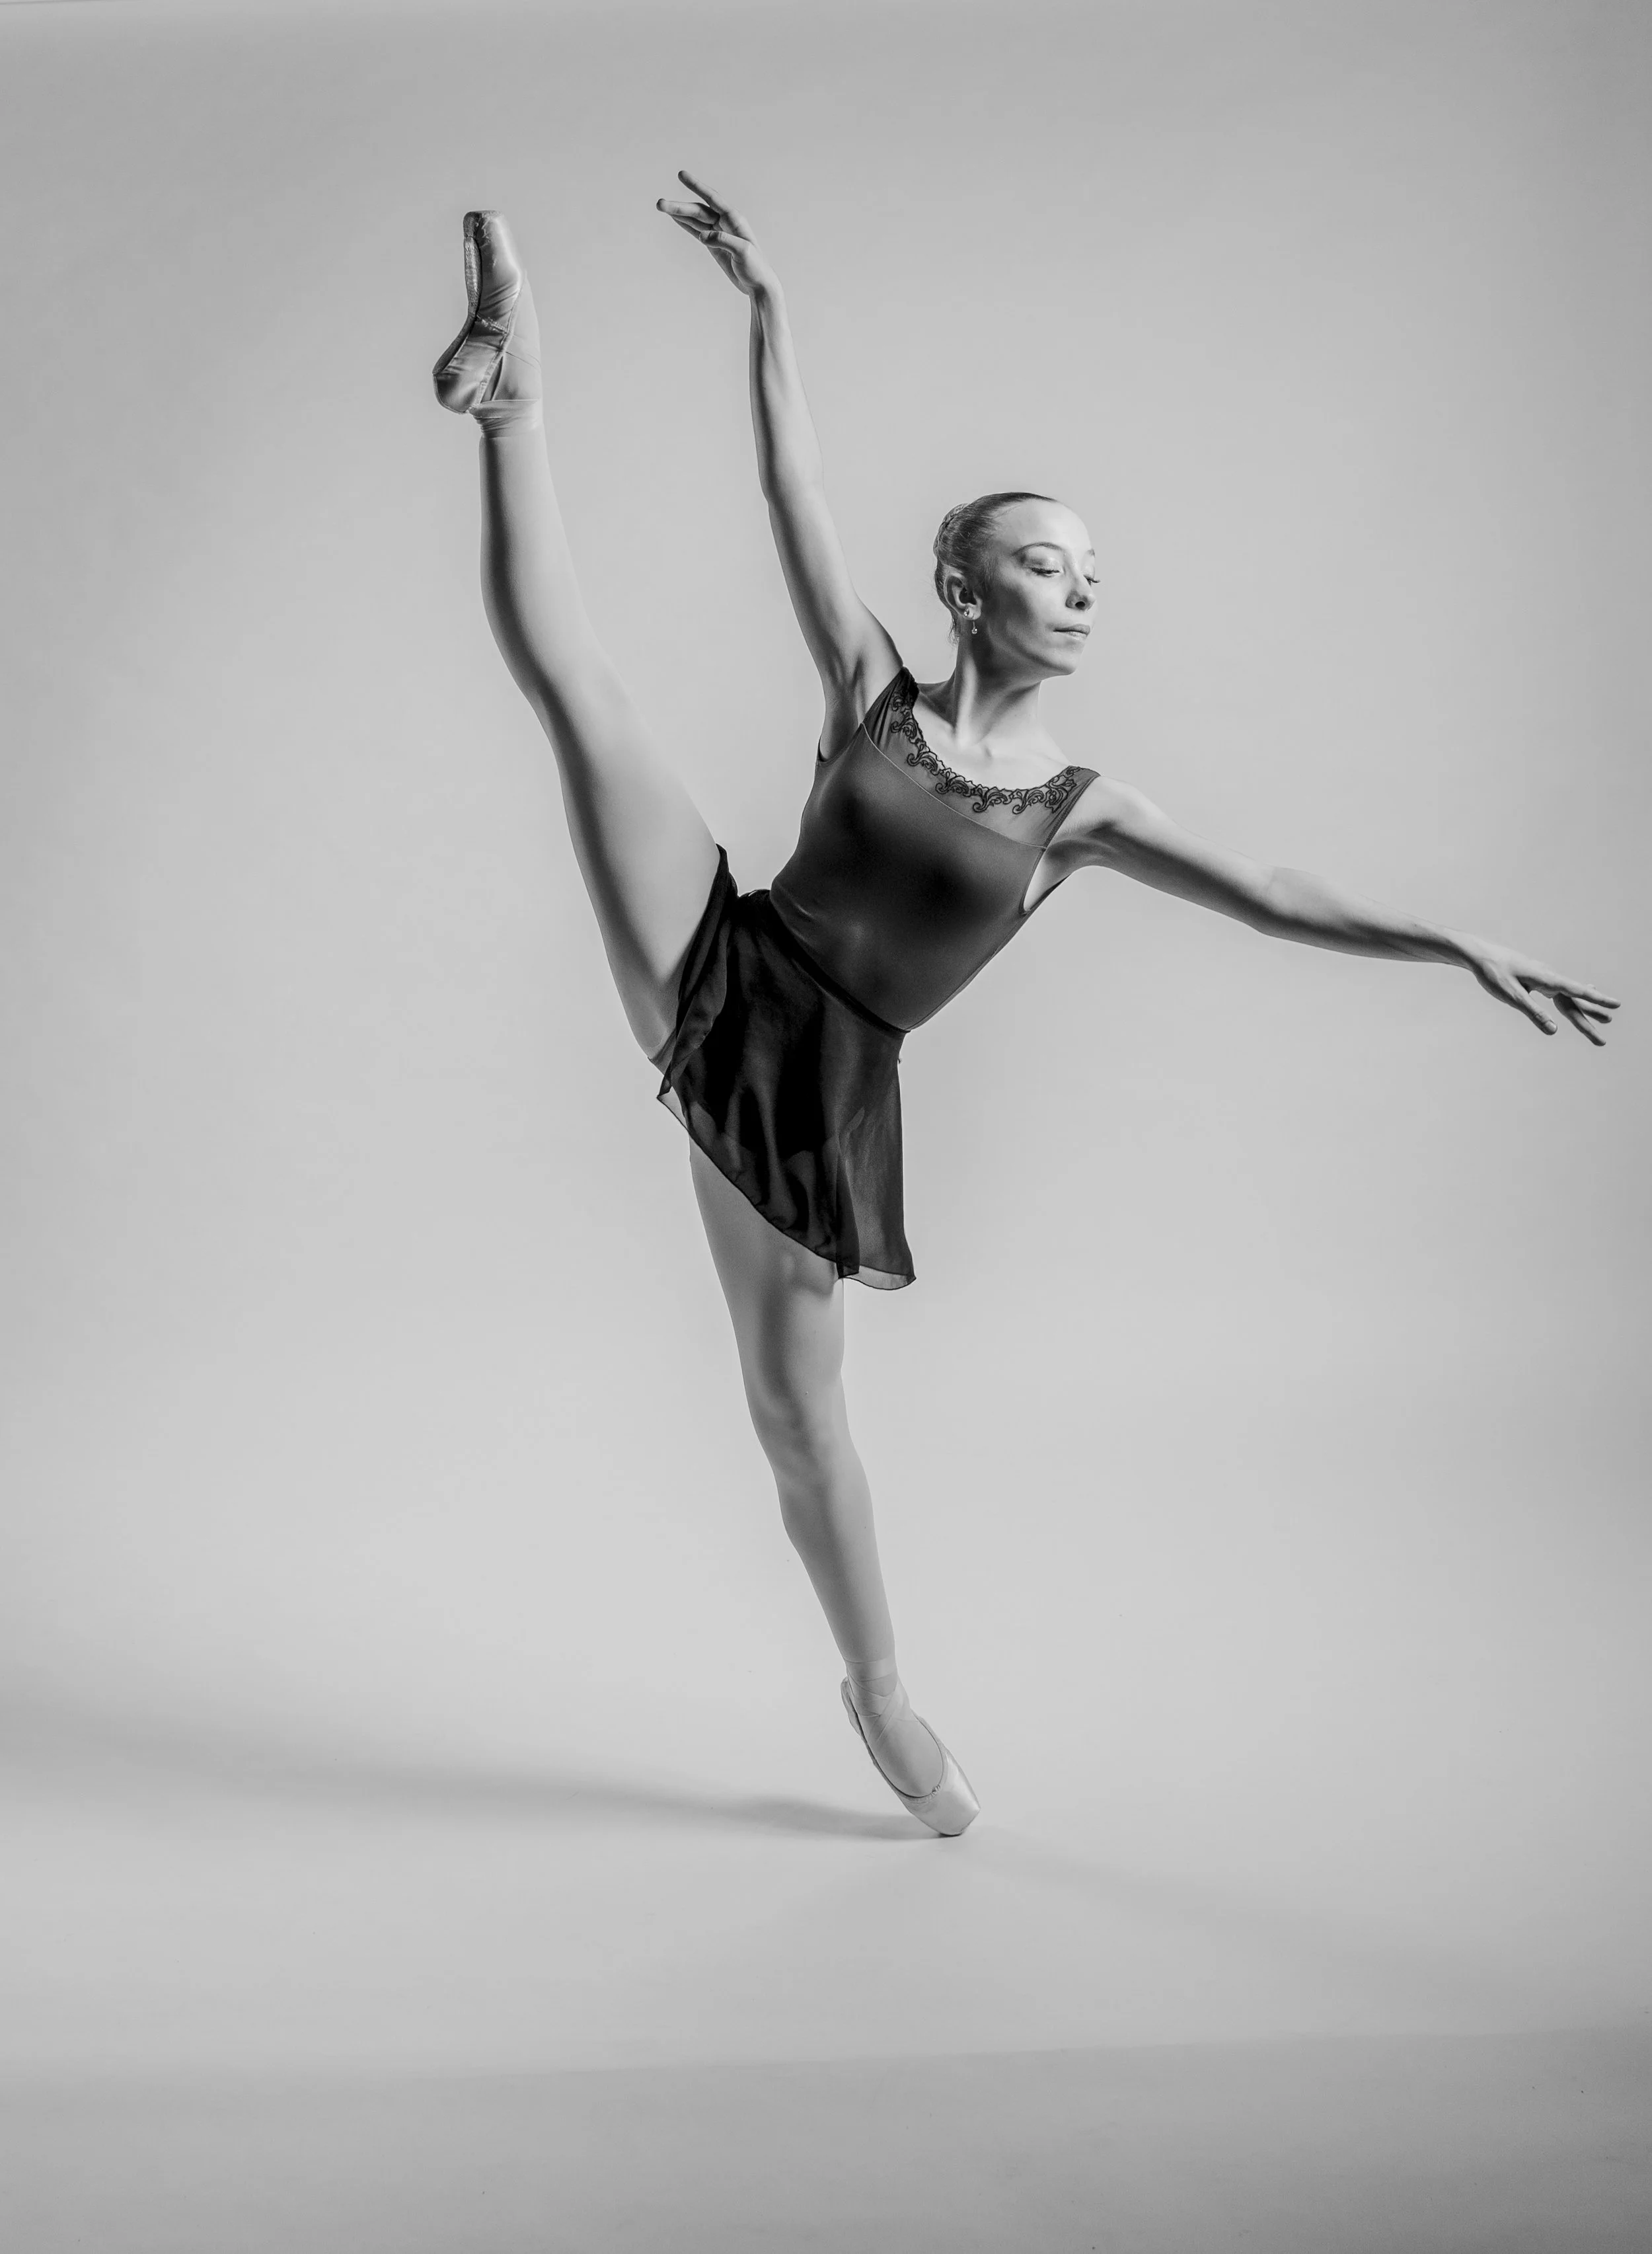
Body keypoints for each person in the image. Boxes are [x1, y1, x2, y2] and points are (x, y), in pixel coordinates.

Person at [432, 176, 1619, 1839]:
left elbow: (1273, 891)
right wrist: (767, 310)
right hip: (729, 959)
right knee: (582, 696)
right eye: (1043, 567)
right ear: (962, 585)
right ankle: (515, 393)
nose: (1078, 594)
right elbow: (794, 484)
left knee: (793, 1424)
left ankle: (883, 1697)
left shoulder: (1076, 808)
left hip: (828, 1086)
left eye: (1088, 575)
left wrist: (1454, 940)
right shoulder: (869, 687)